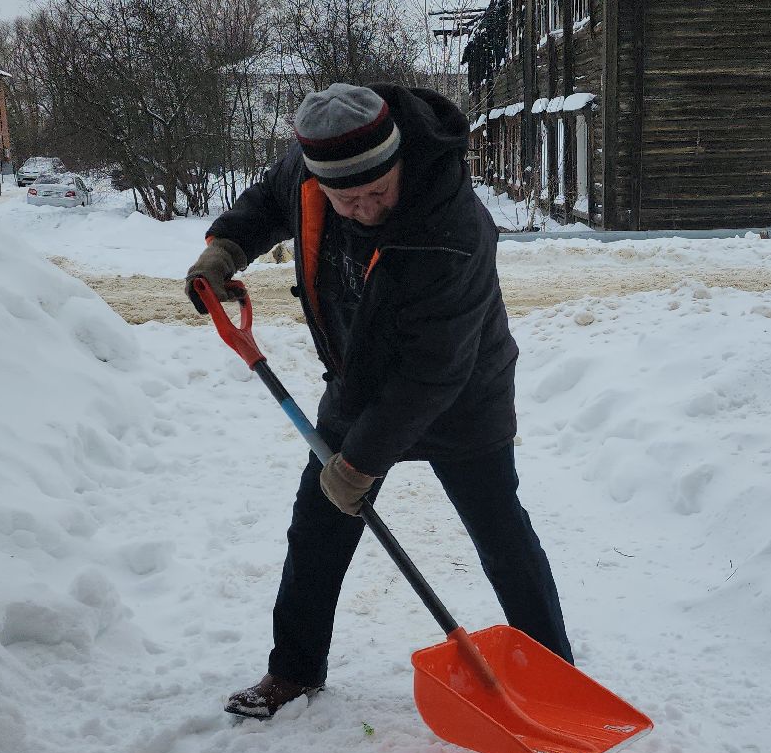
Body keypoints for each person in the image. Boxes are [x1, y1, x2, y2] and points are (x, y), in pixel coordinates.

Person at [190, 82, 573, 719]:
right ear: (320, 183)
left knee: (499, 529)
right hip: (357, 380)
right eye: (348, 199)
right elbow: (264, 204)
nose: (366, 209)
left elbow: (434, 371)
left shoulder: (454, 227)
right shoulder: (307, 173)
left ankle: (556, 675)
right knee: (316, 529)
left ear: (398, 162)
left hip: (463, 395)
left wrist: (360, 462)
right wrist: (224, 247)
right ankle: (293, 670)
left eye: (378, 192)